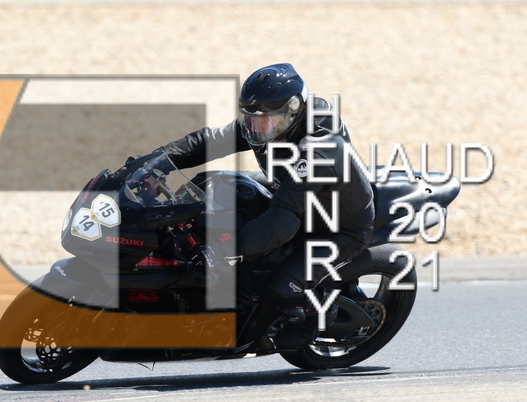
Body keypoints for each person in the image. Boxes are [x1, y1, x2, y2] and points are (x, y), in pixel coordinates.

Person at [136, 63, 375, 348]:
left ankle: (318, 311)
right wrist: (154, 162)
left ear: (293, 109)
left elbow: (283, 220)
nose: (256, 128)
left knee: (280, 288)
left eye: (265, 121)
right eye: (250, 118)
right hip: (294, 193)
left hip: (337, 229)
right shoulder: (271, 119)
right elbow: (209, 141)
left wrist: (225, 252)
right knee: (213, 183)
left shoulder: (319, 149)